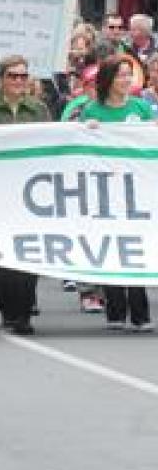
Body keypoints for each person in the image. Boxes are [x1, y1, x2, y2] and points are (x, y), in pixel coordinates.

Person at [0, 55, 50, 335]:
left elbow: (54, 144)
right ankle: (8, 309)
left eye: (23, 76)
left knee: (30, 251)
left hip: (32, 190)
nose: (19, 81)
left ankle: (24, 311)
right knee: (5, 252)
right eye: (13, 76)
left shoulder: (39, 109)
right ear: (2, 78)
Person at [80, 55, 154, 332]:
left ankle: (140, 313)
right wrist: (89, 132)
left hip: (138, 190)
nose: (125, 80)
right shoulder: (93, 111)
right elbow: (82, 149)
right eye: (120, 75)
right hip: (106, 191)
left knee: (135, 247)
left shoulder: (141, 108)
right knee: (112, 246)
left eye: (128, 75)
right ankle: (115, 309)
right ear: (108, 80)